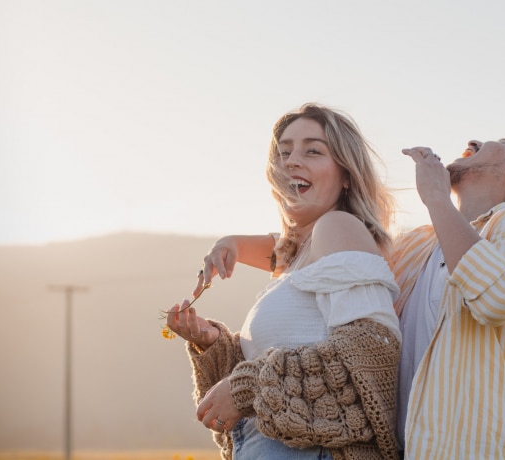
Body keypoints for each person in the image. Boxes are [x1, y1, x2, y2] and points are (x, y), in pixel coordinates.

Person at [199, 124, 505, 460]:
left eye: (495, 142)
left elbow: (498, 297)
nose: (472, 141)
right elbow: (331, 254)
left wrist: (435, 196)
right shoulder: (420, 243)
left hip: (477, 446)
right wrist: (234, 242)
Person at [166, 103, 403, 459]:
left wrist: (245, 389)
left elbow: (370, 356)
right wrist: (215, 344)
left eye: (313, 150)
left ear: (347, 175)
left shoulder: (338, 228)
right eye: (284, 151)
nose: (291, 161)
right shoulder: (299, 257)